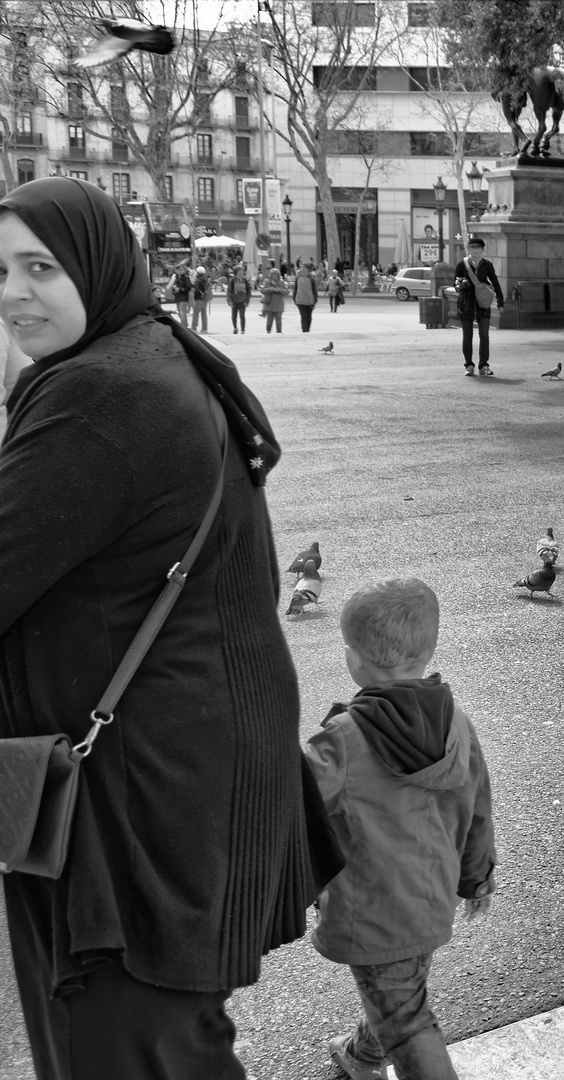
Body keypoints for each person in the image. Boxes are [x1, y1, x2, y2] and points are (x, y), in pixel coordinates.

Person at [0, 176, 317, 1079]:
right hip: (189, 772)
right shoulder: (154, 353)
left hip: (134, 802)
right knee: (163, 1043)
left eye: (40, 268)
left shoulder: (97, 398)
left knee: (129, 1052)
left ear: (96, 270)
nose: (13, 293)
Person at [305, 577, 495, 1080]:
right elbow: (477, 804)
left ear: (353, 660)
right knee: (400, 990)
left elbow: (290, 812)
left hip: (375, 910)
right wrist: (475, 879)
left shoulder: (340, 742)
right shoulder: (457, 722)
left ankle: (380, 1051)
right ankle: (363, 1052)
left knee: (408, 1019)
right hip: (432, 897)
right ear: (429, 648)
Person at [454, 237, 503, 377]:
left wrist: (500, 301)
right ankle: (469, 365)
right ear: (469, 249)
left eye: (478, 248)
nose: (475, 250)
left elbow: (495, 282)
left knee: (484, 335)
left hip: (482, 304)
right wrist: (460, 284)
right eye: (473, 247)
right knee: (467, 336)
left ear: (482, 249)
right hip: (466, 304)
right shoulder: (462, 265)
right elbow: (455, 282)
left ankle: (484, 365)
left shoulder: (487, 264)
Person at [228, 264, 253, 334]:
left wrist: (247, 300)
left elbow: (248, 291)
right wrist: (229, 300)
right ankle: (235, 328)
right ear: (236, 272)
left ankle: (242, 329)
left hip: (242, 301)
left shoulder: (245, 280)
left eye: (242, 271)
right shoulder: (232, 280)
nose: (241, 272)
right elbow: (229, 291)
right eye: (239, 271)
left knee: (242, 315)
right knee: (234, 316)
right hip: (234, 301)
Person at [294, 264, 318, 333]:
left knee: (309, 317)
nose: (302, 268)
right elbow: (295, 289)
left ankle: (307, 329)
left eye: (304, 267)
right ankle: (304, 330)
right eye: (301, 267)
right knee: (303, 316)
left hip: (309, 301)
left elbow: (314, 290)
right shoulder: (298, 278)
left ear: (308, 269)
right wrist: (294, 299)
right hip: (300, 301)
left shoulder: (311, 279)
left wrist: (315, 300)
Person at [262, 266, 286, 333]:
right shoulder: (267, 282)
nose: (274, 276)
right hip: (269, 305)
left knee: (278, 319)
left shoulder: (281, 283)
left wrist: (280, 290)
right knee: (269, 320)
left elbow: (287, 292)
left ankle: (279, 332)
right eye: (272, 274)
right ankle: (268, 331)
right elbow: (262, 290)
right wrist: (270, 289)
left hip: (278, 305)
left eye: (275, 275)